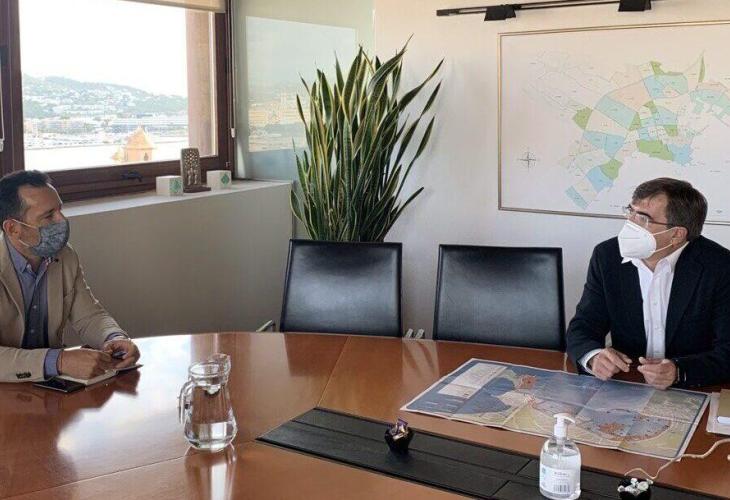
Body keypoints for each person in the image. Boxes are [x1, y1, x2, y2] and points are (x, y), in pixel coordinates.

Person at [567, 177, 730, 389]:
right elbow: (583, 326)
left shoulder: (720, 267)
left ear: (676, 234)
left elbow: (727, 350)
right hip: (627, 383)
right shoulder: (607, 256)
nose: (630, 224)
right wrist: (593, 357)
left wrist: (679, 371)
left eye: (643, 218)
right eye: (631, 212)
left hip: (695, 387)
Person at [0, 170, 140, 383]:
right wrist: (59, 361)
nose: (62, 220)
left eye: (60, 210)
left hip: (49, 388)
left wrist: (114, 337)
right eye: (49, 215)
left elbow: (89, 316)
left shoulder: (65, 256)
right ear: (13, 228)